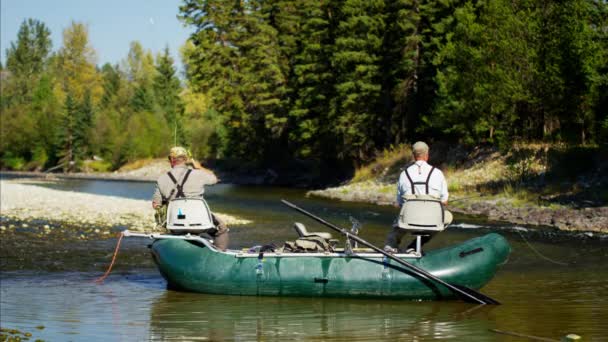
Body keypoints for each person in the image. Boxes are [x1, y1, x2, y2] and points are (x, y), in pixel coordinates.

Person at [152, 146, 229, 251]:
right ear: (185, 159)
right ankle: (219, 254)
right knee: (221, 229)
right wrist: (199, 167)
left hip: (174, 224)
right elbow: (215, 179)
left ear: (171, 160)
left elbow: (156, 205)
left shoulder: (161, 179)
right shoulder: (198, 174)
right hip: (200, 221)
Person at [384, 141, 453, 253]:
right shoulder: (438, 173)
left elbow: (400, 203)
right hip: (432, 221)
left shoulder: (404, 174)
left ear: (414, 155)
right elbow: (444, 201)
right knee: (448, 217)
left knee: (399, 220)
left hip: (408, 222)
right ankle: (414, 246)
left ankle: (391, 246)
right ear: (427, 155)